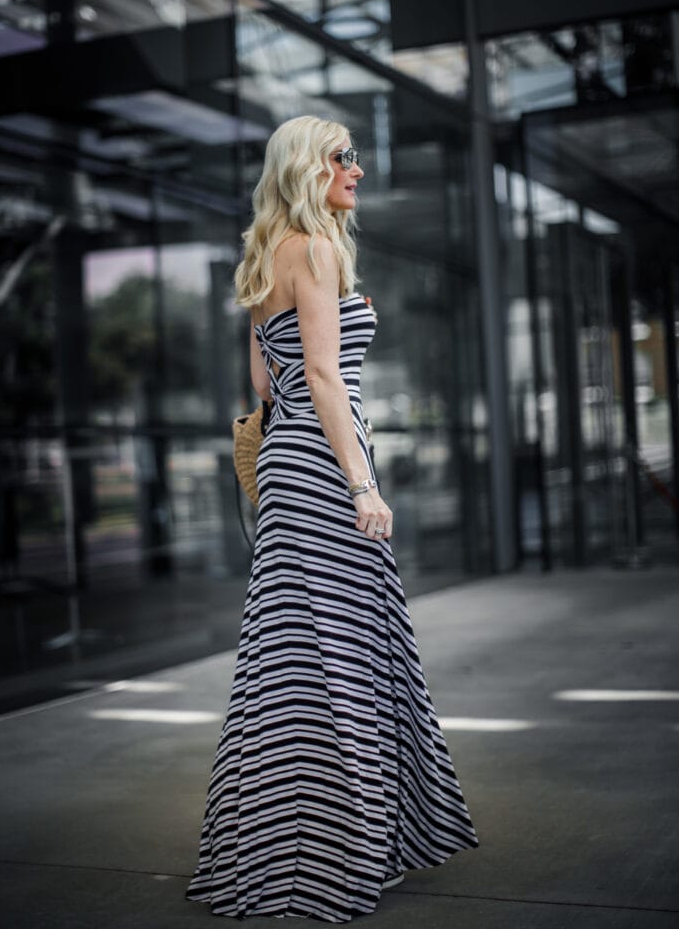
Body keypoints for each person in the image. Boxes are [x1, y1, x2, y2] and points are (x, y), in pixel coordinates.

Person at [186, 115, 479, 922]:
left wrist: (339, 316)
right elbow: (317, 376)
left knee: (295, 656)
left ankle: (289, 841)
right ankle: (339, 847)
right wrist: (361, 485)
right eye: (343, 157)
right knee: (343, 653)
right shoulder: (312, 251)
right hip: (322, 472)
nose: (357, 168)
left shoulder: (268, 253)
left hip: (288, 468)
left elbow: (266, 384)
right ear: (308, 169)